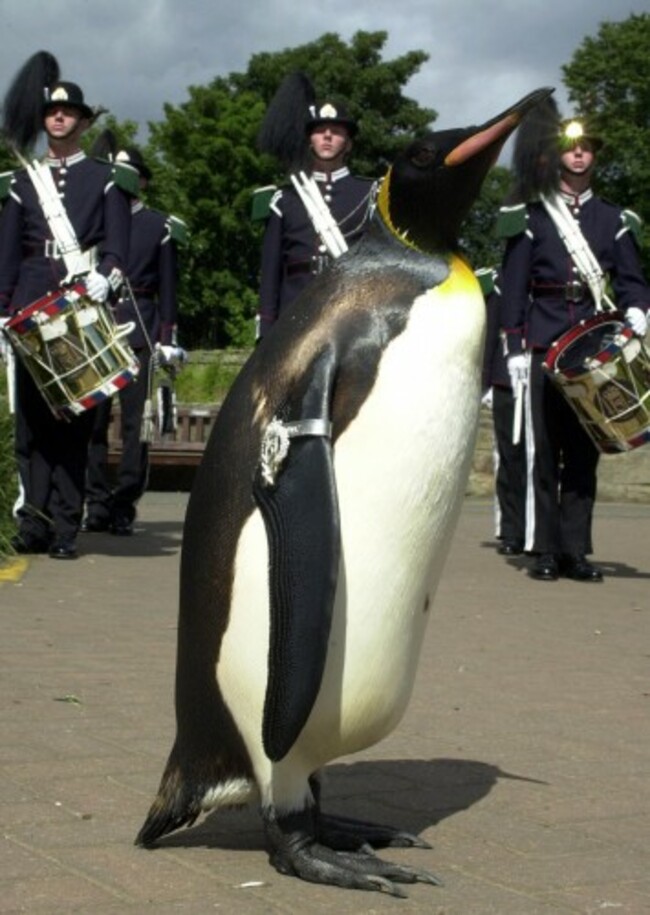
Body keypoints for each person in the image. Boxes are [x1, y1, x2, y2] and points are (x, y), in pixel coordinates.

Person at [499, 101, 650, 582]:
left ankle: (575, 551)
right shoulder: (533, 216)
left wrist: (638, 310)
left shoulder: (613, 218)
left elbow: (632, 279)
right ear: (558, 157)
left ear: (594, 159)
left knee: (585, 454)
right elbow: (514, 283)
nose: (580, 156)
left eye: (587, 149)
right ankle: (544, 549)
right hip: (544, 342)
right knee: (544, 453)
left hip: (592, 348)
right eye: (571, 149)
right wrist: (515, 348)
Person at [0, 52, 133, 559]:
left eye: (68, 113)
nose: (59, 119)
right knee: (31, 424)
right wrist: (2, 309)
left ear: (81, 122)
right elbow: (9, 255)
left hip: (77, 311)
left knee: (72, 423)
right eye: (52, 113)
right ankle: (32, 520)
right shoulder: (21, 184)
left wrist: (106, 277)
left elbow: (118, 248)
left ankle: (64, 526)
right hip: (29, 310)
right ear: (44, 121)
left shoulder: (104, 180)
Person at [82, 142, 187, 536]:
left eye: (129, 174)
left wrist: (167, 338)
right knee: (90, 422)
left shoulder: (158, 226)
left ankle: (124, 503)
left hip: (139, 329)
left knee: (135, 425)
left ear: (141, 181)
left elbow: (168, 289)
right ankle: (95, 502)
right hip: (96, 331)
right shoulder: (93, 224)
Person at [255, 73, 376, 338]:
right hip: (294, 310)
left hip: (350, 311)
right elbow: (271, 270)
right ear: (310, 140)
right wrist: (265, 326)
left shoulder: (370, 194)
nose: (328, 136)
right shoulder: (285, 199)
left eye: (337, 132)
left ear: (349, 143)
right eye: (320, 131)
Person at [479, 267, 529, 557]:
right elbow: (490, 333)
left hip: (544, 374)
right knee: (510, 458)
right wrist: (485, 382)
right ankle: (512, 529)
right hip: (505, 378)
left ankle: (538, 531)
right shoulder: (500, 282)